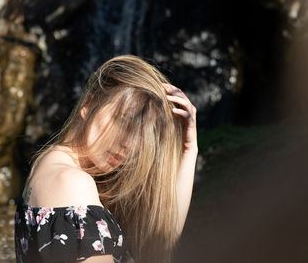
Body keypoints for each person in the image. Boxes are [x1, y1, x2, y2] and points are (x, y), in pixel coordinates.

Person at [14, 55, 198, 263]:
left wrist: (189, 149)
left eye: (140, 136)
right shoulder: (70, 182)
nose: (130, 144)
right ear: (88, 103)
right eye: (122, 120)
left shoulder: (50, 163)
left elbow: (161, 243)